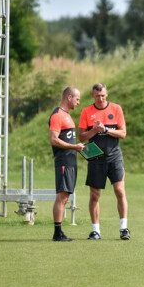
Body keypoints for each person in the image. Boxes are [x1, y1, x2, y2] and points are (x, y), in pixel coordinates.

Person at [78, 83, 130, 240]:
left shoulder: (116, 109)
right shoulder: (87, 111)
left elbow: (123, 133)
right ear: (92, 96)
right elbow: (81, 137)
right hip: (95, 158)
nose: (100, 98)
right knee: (94, 195)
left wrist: (106, 130)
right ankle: (96, 230)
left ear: (107, 94)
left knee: (120, 191)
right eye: (97, 96)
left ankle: (124, 228)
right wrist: (94, 130)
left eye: (103, 95)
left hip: (114, 156)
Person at [48, 86, 85, 242]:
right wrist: (74, 147)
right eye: (77, 99)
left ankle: (59, 232)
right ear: (69, 97)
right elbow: (54, 139)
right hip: (63, 160)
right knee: (62, 196)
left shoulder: (67, 115)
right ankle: (57, 233)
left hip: (71, 160)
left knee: (66, 196)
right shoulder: (57, 115)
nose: (78, 102)